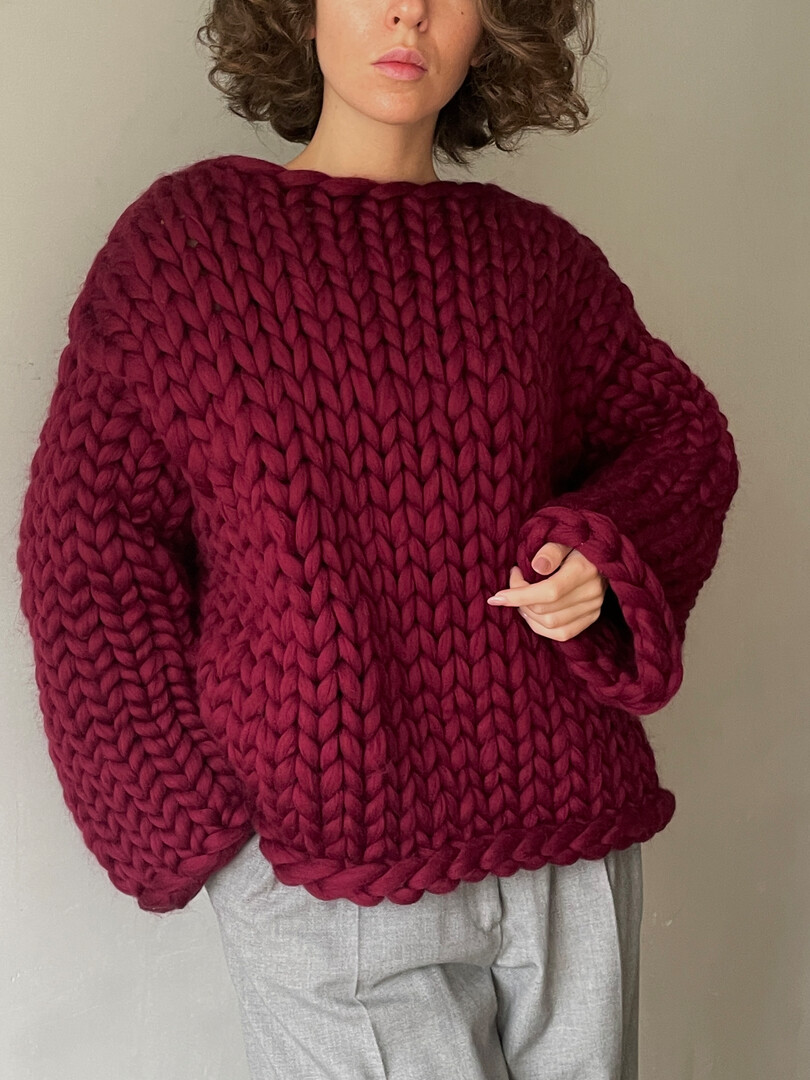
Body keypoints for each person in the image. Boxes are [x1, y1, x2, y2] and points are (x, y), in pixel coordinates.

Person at [16, 0, 740, 1077]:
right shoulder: (186, 257)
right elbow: (90, 549)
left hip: (567, 838)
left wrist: (603, 548)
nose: (409, 11)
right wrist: (198, 827)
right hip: (324, 871)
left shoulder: (538, 266)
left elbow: (677, 439)